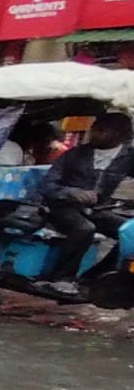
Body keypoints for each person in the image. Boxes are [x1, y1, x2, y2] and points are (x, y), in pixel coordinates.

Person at [42, 111, 134, 287]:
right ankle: (62, 279)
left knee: (130, 234)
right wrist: (71, 192)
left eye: (103, 130)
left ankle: (94, 278)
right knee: (84, 228)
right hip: (61, 207)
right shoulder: (74, 154)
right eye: (95, 129)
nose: (95, 133)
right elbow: (47, 185)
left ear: (119, 135)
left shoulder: (129, 158)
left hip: (96, 210)